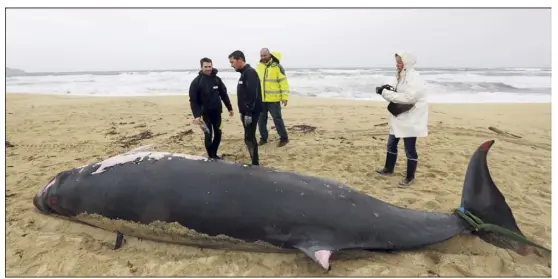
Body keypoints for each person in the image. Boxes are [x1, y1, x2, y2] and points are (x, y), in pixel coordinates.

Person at [375, 51, 429, 187]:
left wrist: (386, 93)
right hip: (399, 116)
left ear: (407, 62)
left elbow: (408, 97)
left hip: (411, 119)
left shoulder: (414, 78)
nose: (397, 65)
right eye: (397, 62)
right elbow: (400, 94)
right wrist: (388, 90)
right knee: (391, 143)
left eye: (400, 62)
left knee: (409, 148)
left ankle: (410, 177)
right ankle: (388, 168)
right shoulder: (401, 75)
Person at [189, 57, 234, 159]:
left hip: (217, 113)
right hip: (205, 114)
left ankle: (214, 154)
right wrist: (196, 115)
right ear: (201, 67)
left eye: (210, 66)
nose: (208, 69)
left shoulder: (217, 80)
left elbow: (224, 94)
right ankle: (211, 155)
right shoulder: (196, 82)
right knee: (208, 135)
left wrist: (229, 108)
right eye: (206, 67)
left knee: (218, 134)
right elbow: (193, 100)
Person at [228, 50, 263, 166]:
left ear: (240, 60)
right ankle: (254, 161)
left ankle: (255, 163)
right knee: (248, 136)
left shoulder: (250, 73)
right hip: (246, 112)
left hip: (251, 112)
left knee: (249, 137)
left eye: (232, 62)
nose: (231, 65)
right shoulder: (244, 73)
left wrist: (248, 112)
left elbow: (253, 94)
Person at [256, 48, 291, 147]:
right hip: (261, 99)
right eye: (261, 55)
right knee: (261, 121)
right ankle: (263, 138)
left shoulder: (277, 67)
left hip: (274, 100)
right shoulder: (258, 67)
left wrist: (284, 97)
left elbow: (283, 83)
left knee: (277, 119)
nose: (263, 57)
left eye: (265, 55)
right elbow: (256, 83)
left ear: (269, 55)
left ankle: (284, 138)